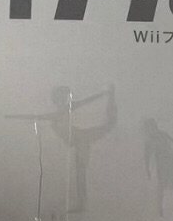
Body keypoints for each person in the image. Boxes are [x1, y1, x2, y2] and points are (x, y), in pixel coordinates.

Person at [7, 84, 117, 213]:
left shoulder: (67, 108)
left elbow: (86, 101)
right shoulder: (59, 113)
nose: (66, 99)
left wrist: (105, 94)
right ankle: (81, 203)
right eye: (64, 97)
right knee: (80, 171)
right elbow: (38, 116)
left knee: (81, 170)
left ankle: (82, 204)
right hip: (78, 140)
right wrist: (14, 117)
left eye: (66, 97)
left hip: (80, 139)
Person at [143, 118, 173, 217]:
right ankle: (162, 211)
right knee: (163, 186)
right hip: (163, 163)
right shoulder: (150, 140)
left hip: (170, 161)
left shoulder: (160, 135)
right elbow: (147, 156)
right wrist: (147, 169)